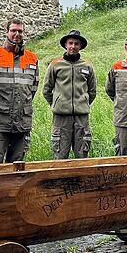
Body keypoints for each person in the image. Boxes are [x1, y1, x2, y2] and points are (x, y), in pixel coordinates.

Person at [0, 18, 38, 164]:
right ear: (6, 32)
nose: (17, 34)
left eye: (20, 31)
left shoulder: (32, 58)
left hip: (22, 121)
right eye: (13, 30)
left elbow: (32, 89)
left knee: (17, 165)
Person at [43, 30, 96, 159]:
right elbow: (46, 89)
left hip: (81, 118)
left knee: (82, 156)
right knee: (60, 156)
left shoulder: (87, 66)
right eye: (70, 43)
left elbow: (92, 91)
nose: (73, 46)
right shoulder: (55, 65)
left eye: (76, 44)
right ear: (65, 45)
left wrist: (82, 103)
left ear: (80, 46)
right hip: (61, 118)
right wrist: (58, 103)